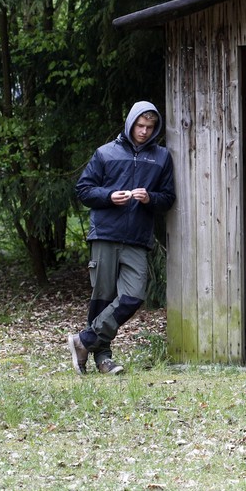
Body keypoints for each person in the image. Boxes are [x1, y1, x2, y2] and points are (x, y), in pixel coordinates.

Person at [67, 101, 176, 375]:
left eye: (150, 127)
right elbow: (83, 190)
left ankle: (84, 341)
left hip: (138, 238)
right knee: (102, 298)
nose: (144, 131)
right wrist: (108, 196)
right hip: (105, 234)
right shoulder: (105, 153)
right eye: (140, 126)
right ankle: (103, 359)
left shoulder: (161, 157)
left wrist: (150, 198)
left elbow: (168, 198)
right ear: (130, 124)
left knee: (133, 296)